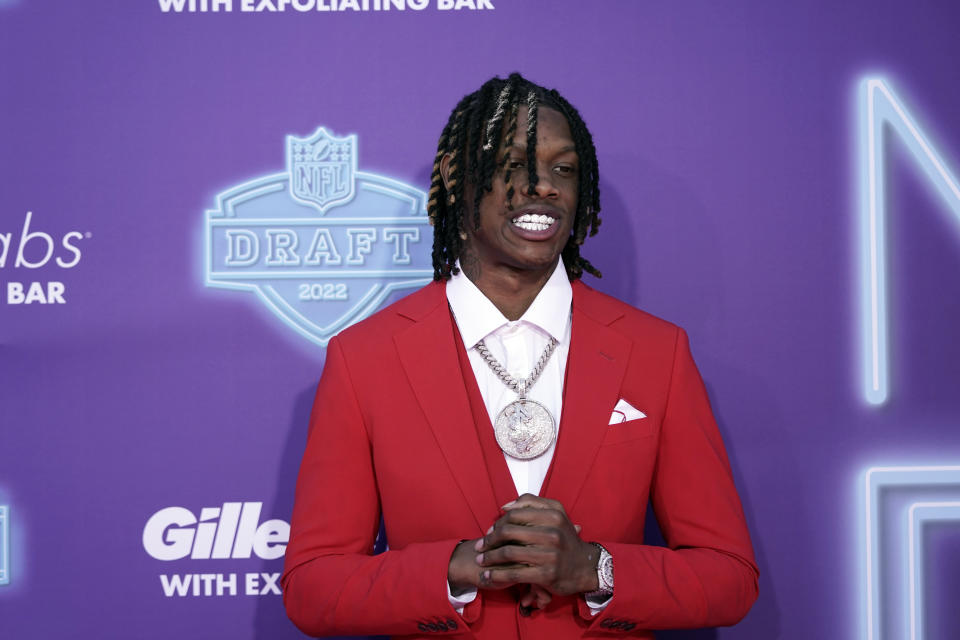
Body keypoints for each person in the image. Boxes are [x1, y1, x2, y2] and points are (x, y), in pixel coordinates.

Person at [281, 73, 759, 639]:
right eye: (513, 165)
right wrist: (458, 568)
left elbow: (728, 578)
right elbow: (314, 589)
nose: (546, 187)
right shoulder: (364, 358)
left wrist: (595, 570)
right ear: (460, 182)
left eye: (564, 170)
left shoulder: (658, 351)